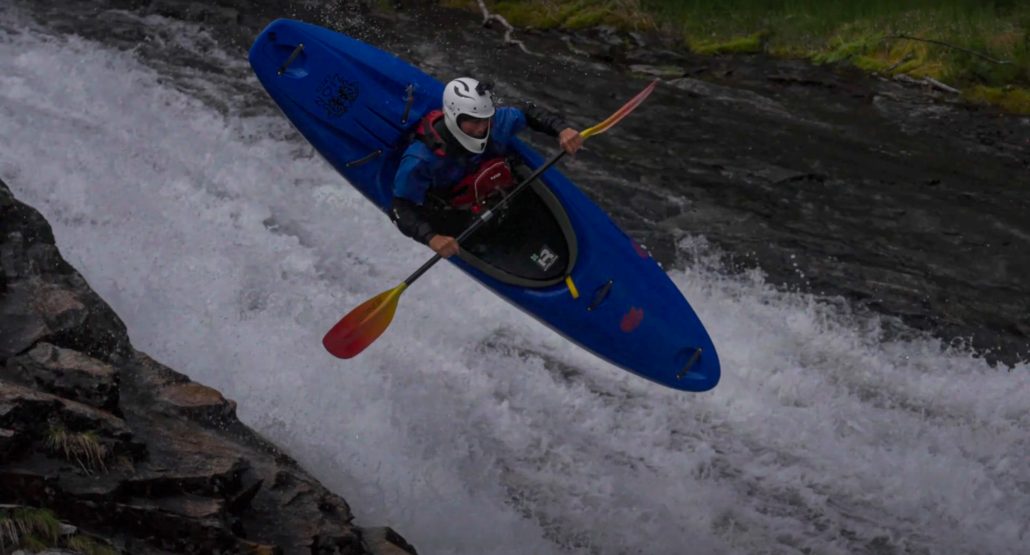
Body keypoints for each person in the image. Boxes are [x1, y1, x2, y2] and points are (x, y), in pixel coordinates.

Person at [391, 77, 583, 258]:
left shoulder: (496, 123)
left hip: (498, 193)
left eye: (486, 119)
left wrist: (561, 129)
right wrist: (431, 237)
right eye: (475, 121)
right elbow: (400, 207)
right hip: (461, 215)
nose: (482, 128)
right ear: (454, 116)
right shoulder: (421, 159)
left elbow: (528, 112)